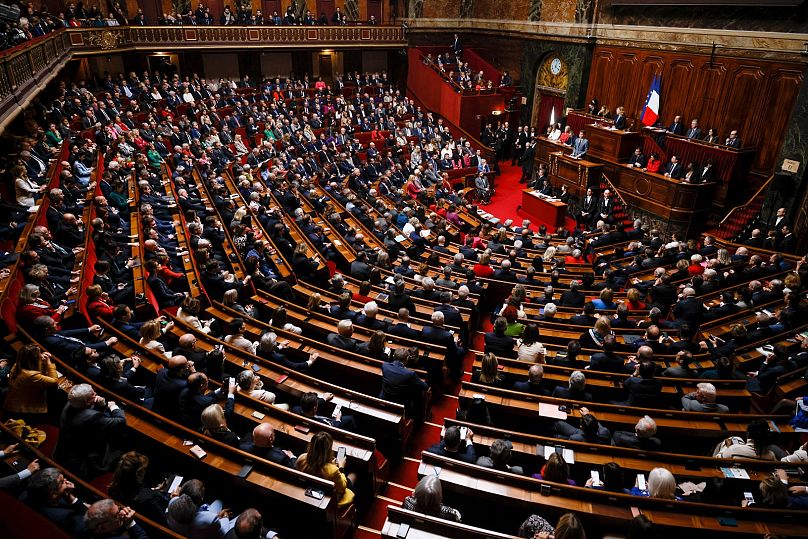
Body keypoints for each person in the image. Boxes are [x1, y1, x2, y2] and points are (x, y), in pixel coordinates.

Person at [54, 383, 126, 477]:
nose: (96, 393)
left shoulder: (71, 403)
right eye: (93, 394)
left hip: (64, 447)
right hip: (81, 458)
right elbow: (120, 421)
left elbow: (89, 417)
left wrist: (100, 405)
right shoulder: (92, 416)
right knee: (120, 448)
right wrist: (113, 406)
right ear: (87, 402)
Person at [108, 452, 169, 525]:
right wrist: (173, 498)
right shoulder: (148, 499)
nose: (144, 471)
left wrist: (155, 490)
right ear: (138, 473)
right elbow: (165, 520)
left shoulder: (114, 487)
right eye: (143, 469)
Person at [296, 431, 355, 507]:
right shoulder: (333, 471)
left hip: (309, 490)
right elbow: (342, 487)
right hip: (329, 499)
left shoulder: (302, 458)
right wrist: (341, 468)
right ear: (328, 450)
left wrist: (331, 465)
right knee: (354, 474)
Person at [3, 344, 59, 421]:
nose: (41, 355)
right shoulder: (31, 375)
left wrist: (40, 361)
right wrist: (49, 363)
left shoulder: (17, 365)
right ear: (34, 359)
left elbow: (33, 367)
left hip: (13, 405)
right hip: (24, 411)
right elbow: (54, 381)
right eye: (39, 354)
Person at [380, 348, 428, 416]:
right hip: (401, 405)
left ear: (393, 356)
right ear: (407, 359)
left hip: (383, 400)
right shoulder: (410, 373)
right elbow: (425, 387)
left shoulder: (385, 366)